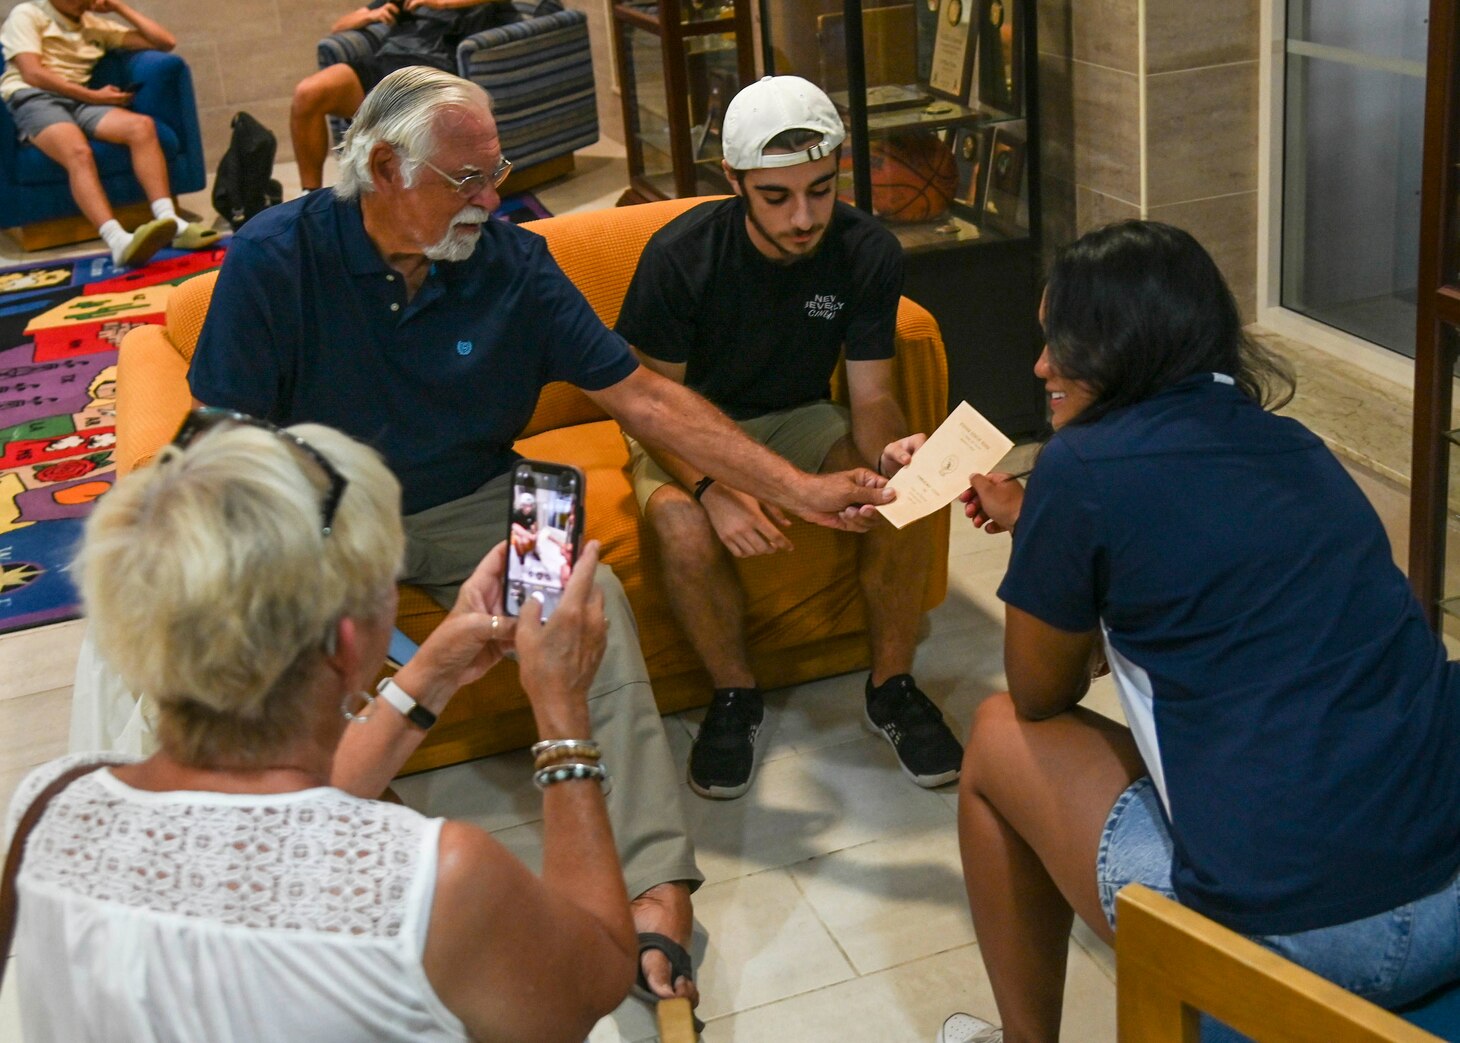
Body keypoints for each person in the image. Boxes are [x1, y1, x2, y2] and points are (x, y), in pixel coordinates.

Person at [187, 66, 892, 1010]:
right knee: (271, 628)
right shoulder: (277, 256)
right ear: (386, 168)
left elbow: (641, 395)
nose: (492, 198)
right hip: (325, 507)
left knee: (585, 601)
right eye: (466, 180)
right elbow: (225, 443)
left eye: (497, 172)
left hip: (482, 489)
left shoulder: (509, 261)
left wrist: (795, 486)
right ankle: (356, 849)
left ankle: (655, 884)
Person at [942, 221, 1460, 1043]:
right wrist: (1042, 521)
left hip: (1302, 947)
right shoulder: (1295, 445)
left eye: (1056, 341)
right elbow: (1214, 584)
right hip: (1446, 904)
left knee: (995, 737)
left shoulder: (1079, 466)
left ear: (1115, 346)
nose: (1041, 366)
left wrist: (1053, 545)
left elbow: (1043, 691)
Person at [9, 411, 636, 1042]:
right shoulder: (435, 882)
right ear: (346, 639)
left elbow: (271, 819)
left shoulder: (47, 804)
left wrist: (429, 676)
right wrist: (561, 712)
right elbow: (596, 976)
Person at [614, 74, 961, 800]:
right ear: (736, 181)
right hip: (690, 426)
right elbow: (650, 406)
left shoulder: (867, 250)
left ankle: (892, 685)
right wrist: (713, 487)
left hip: (799, 416)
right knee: (682, 528)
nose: (804, 217)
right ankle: (735, 695)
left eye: (821, 189)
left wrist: (891, 455)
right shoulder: (680, 257)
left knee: (899, 494)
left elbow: (871, 396)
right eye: (777, 196)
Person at [0, 0, 219, 267]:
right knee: (78, 151)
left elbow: (165, 42)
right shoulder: (28, 14)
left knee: (141, 128)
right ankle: (117, 239)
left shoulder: (93, 24)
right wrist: (93, 96)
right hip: (34, 98)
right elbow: (32, 73)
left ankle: (169, 220)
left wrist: (120, 8)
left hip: (80, 101)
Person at [291, 0, 520, 194]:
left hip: (433, 74)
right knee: (308, 93)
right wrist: (372, 15)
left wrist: (441, 3)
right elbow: (339, 25)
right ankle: (309, 196)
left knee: (401, 138)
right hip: (385, 65)